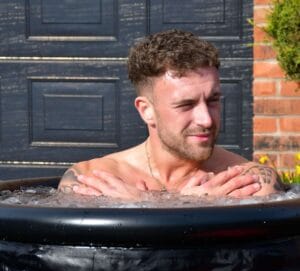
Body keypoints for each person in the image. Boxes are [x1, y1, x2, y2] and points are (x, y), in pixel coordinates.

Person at [58, 29, 285, 199]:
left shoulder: (248, 180)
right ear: (146, 111)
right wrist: (185, 208)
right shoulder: (93, 178)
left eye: (213, 100)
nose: (206, 119)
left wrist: (140, 208)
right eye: (186, 105)